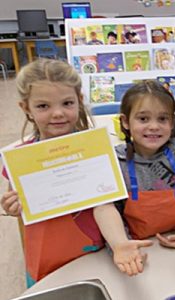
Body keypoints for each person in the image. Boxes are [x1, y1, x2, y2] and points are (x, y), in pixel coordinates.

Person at [0, 59, 104, 287]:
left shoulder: (96, 148)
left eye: (67, 103)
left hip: (94, 248)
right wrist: (11, 205)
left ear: (80, 101)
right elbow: (16, 204)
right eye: (43, 106)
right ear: (26, 108)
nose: (58, 113)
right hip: (48, 255)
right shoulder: (20, 159)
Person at [93, 80, 175, 276]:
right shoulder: (114, 163)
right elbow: (110, 213)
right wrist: (123, 246)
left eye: (162, 119)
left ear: (172, 123)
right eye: (143, 119)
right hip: (137, 257)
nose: (154, 126)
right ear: (125, 122)